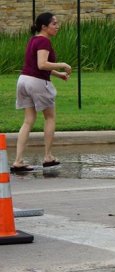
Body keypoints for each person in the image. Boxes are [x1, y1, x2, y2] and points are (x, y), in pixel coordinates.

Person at [12, 12, 71, 173]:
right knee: (50, 117)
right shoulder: (44, 41)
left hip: (23, 80)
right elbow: (42, 64)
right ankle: (48, 157)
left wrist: (58, 75)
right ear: (44, 27)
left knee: (28, 120)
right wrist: (63, 65)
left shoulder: (33, 40)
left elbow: (35, 65)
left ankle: (18, 161)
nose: (57, 26)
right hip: (37, 83)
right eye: (54, 24)